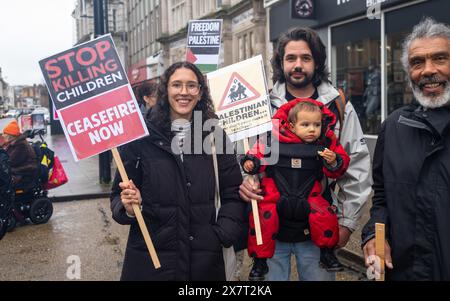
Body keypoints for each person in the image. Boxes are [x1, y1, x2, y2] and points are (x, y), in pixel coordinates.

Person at [239, 27, 371, 281]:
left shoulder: (337, 104)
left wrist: (346, 223)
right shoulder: (261, 103)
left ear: (317, 61)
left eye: (305, 58)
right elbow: (244, 154)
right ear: (281, 62)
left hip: (317, 232)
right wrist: (244, 181)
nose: (297, 65)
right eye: (291, 58)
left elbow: (357, 165)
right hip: (270, 231)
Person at [110, 61, 246, 281]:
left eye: (192, 85)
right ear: (165, 91)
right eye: (177, 85)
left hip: (204, 261)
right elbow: (117, 196)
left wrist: (222, 234)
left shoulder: (215, 137)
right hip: (151, 260)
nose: (184, 92)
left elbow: (233, 194)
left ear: (200, 93)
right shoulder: (140, 139)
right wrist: (128, 207)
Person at [362, 18, 450, 281]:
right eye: (417, 62)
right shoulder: (394, 127)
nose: (427, 70)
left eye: (440, 58)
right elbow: (381, 201)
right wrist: (374, 237)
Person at [241, 99, 350, 279]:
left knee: (326, 215)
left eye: (316, 124)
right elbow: (257, 153)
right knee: (262, 218)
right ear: (291, 126)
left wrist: (334, 161)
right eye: (305, 124)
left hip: (311, 194)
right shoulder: (273, 137)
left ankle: (327, 252)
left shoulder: (325, 141)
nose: (312, 129)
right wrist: (250, 162)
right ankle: (260, 261)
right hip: (276, 194)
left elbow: (341, 166)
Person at [1, 120, 38, 191]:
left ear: (10, 135)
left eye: (5, 133)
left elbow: (10, 161)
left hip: (22, 175)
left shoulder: (21, 145)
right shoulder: (13, 144)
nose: (2, 135)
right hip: (16, 172)